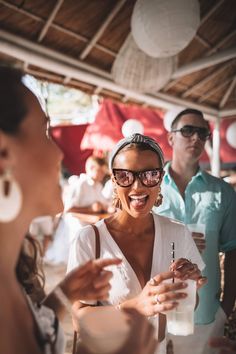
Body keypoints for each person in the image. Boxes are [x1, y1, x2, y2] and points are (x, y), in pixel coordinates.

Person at [0, 66, 134, 354]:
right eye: (45, 133)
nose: (59, 154)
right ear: (4, 154)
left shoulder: (13, 270)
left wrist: (64, 295)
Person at [67, 133, 206, 354]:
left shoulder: (178, 232)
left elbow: (190, 304)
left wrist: (188, 288)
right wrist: (137, 306)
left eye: (150, 175)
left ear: (160, 179)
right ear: (113, 180)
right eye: (125, 176)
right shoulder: (89, 239)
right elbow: (78, 321)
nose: (138, 187)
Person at [154, 108, 236, 354]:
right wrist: (176, 241)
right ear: (171, 138)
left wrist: (227, 306)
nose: (196, 138)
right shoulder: (150, 187)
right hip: (156, 309)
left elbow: (233, 250)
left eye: (203, 133)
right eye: (188, 130)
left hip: (206, 315)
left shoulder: (223, 192)